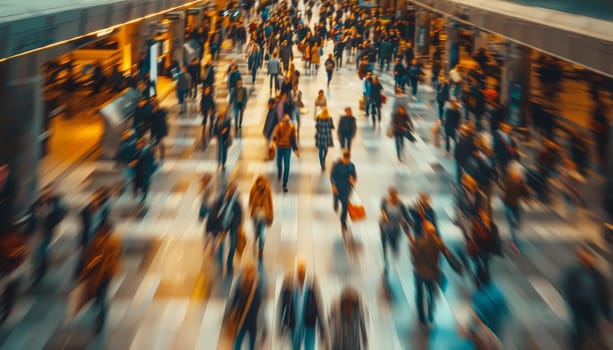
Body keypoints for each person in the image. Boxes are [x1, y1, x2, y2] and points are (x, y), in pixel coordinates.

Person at [562, 247, 612, 350]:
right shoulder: (573, 272)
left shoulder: (598, 275)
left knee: (593, 331)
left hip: (592, 308)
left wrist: (608, 318)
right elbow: (567, 288)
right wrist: (572, 303)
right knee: (577, 331)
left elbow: (604, 297)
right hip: (578, 307)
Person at [76, 223, 121, 333]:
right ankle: (100, 315)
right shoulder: (100, 241)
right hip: (99, 275)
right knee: (98, 296)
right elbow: (88, 256)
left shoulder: (110, 242)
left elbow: (92, 258)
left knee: (101, 298)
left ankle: (101, 320)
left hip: (104, 275)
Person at [409, 221, 451, 330]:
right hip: (433, 273)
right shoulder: (439, 242)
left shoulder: (419, 242)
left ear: (425, 231)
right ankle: (431, 316)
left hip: (420, 273)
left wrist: (412, 245)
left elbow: (414, 257)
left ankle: (422, 320)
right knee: (431, 296)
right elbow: (446, 253)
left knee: (419, 296)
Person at [277, 261, 327, 350]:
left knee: (310, 348)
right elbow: (281, 305)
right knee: (295, 348)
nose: (301, 275)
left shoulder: (312, 283)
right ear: (296, 272)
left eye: (303, 272)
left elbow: (319, 305)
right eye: (299, 272)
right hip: (293, 324)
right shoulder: (288, 283)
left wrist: (322, 326)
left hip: (309, 324)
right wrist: (280, 325)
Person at [29, 184, 67, 284]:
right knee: (34, 252)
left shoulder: (56, 203)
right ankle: (38, 268)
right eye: (46, 191)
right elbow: (32, 212)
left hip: (47, 230)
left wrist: (54, 220)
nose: (47, 193)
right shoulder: (39, 202)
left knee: (42, 251)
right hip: (37, 230)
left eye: (50, 191)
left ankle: (40, 272)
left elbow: (62, 212)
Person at [227, 264, 265, 350]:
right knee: (241, 343)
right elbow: (234, 300)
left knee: (245, 343)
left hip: (247, 320)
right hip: (244, 320)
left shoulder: (254, 287)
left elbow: (258, 302)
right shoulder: (244, 286)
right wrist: (231, 312)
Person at [379, 187, 410, 275]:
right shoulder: (384, 201)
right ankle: (385, 260)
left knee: (395, 245)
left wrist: (409, 224)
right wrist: (384, 216)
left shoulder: (400, 204)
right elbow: (382, 210)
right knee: (384, 244)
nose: (393, 197)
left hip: (396, 227)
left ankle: (394, 256)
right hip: (385, 227)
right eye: (391, 195)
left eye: (394, 195)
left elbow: (405, 215)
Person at [272, 114, 300, 193]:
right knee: (279, 163)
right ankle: (280, 172)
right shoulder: (279, 126)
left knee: (287, 166)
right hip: (280, 147)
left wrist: (295, 149)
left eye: (288, 121)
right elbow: (275, 135)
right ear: (283, 120)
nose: (287, 122)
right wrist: (273, 143)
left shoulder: (291, 127)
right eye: (285, 120)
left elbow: (293, 139)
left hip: (287, 148)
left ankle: (284, 183)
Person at [330, 150, 356, 232]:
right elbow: (332, 176)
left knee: (345, 205)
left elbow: (354, 176)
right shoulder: (337, 165)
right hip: (337, 187)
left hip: (346, 188)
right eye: (345, 160)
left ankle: (343, 221)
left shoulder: (351, 165)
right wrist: (333, 185)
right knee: (337, 200)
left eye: (348, 160)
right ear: (343, 157)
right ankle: (336, 202)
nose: (346, 161)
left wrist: (353, 180)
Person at [248, 176, 273, 261]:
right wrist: (253, 207)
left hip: (264, 216)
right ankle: (255, 240)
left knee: (262, 234)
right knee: (256, 232)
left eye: (262, 184)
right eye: (259, 184)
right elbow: (250, 201)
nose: (260, 185)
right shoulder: (253, 189)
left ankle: (260, 250)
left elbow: (270, 203)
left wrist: (271, 215)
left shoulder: (268, 190)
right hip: (255, 215)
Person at [315, 107, 335, 171]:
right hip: (326, 136)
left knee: (322, 150)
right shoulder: (329, 118)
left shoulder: (320, 118)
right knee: (324, 149)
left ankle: (322, 162)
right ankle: (323, 161)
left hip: (321, 136)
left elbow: (316, 127)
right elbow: (332, 126)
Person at [214, 106, 232, 171]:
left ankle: (223, 163)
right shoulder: (218, 118)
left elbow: (228, 127)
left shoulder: (227, 119)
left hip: (225, 137)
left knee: (224, 151)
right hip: (219, 136)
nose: (221, 113)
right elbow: (215, 126)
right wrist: (215, 134)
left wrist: (225, 130)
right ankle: (219, 163)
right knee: (219, 150)